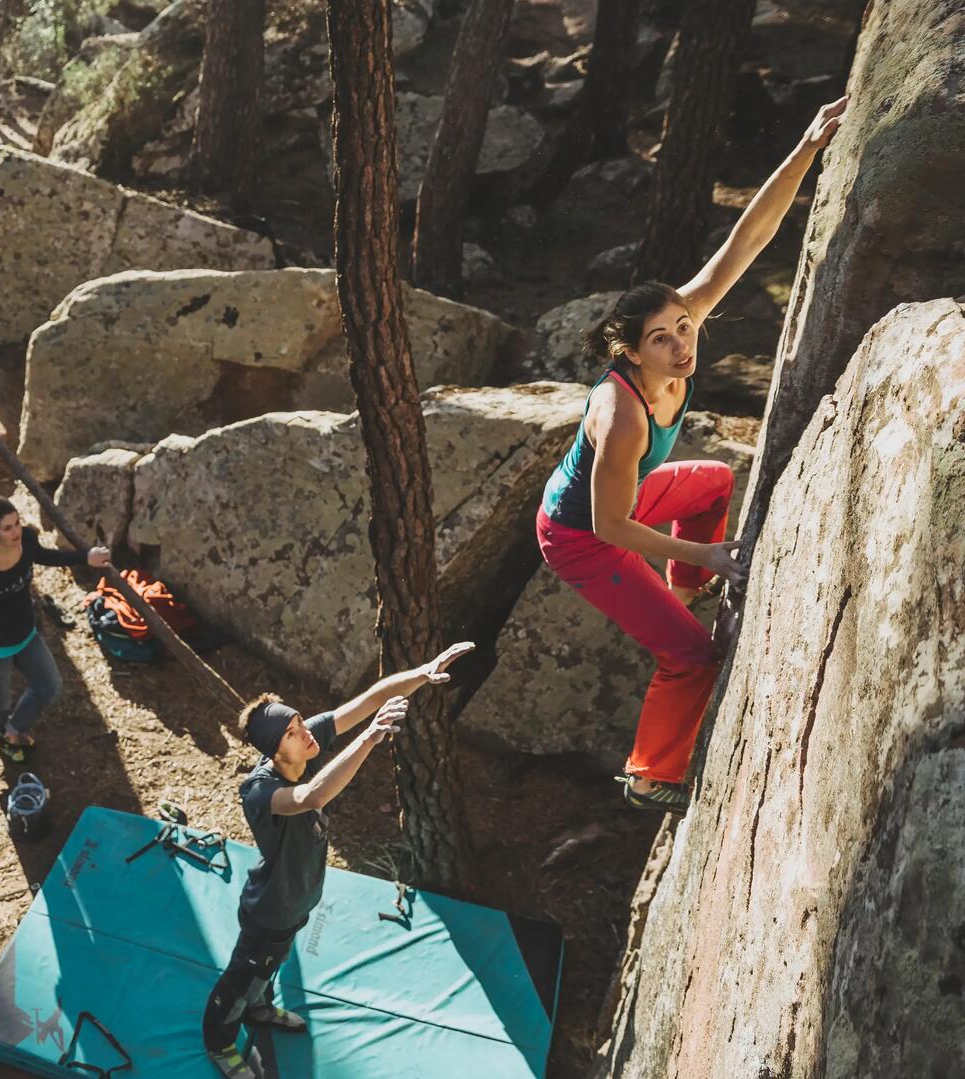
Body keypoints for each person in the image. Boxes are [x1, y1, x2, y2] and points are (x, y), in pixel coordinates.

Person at [536, 96, 850, 815]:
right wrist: (713, 557)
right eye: (663, 340)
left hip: (620, 501)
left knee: (713, 479)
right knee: (691, 655)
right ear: (630, 350)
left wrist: (806, 144)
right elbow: (611, 528)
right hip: (583, 537)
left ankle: (682, 589)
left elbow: (747, 240)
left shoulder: (679, 330)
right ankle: (649, 772)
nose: (684, 346)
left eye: (684, 326)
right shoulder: (621, 417)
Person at [203, 641, 474, 1079]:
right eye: (293, 731)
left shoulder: (300, 747)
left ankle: (260, 1008)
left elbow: (368, 701)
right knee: (241, 977)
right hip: (270, 909)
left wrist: (423, 671)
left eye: (299, 722)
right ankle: (218, 1044)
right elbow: (313, 796)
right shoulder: (260, 791)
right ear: (274, 750)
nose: (305, 732)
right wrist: (369, 739)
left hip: (299, 899)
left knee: (271, 968)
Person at [0, 497, 111, 764]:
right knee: (0, 701)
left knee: (50, 686)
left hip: (26, 634)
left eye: (17, 523)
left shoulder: (26, 540)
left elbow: (46, 556)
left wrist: (86, 557)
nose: (16, 531)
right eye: (7, 528)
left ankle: (13, 730)